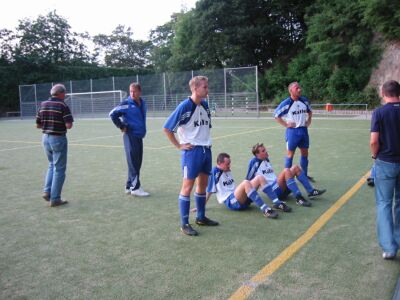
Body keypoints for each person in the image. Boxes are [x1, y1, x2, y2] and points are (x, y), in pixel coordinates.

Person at [163, 75, 219, 236]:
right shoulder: (185, 106)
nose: (207, 89)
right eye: (205, 87)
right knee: (187, 187)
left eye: (207, 87)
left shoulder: (205, 106)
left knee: (202, 185)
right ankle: (184, 223)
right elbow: (167, 128)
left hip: (206, 150)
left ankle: (201, 217)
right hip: (192, 152)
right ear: (195, 88)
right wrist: (179, 145)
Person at [370, 79, 400, 260]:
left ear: (383, 93)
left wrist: (375, 156)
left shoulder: (379, 113)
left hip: (385, 163)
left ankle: (389, 248)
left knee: (384, 204)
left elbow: (374, 141)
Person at [246, 143, 326, 207]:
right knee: (286, 170)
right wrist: (248, 195)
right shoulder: (254, 162)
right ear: (257, 154)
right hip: (273, 191)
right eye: (263, 151)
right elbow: (248, 180)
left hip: (279, 187)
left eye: (265, 149)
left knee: (295, 168)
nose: (266, 151)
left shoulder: (266, 160)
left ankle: (311, 191)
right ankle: (299, 198)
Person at [207, 152, 280, 218]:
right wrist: (202, 205)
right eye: (227, 164)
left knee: (259, 177)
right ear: (220, 163)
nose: (229, 166)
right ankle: (265, 209)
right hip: (231, 201)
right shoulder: (214, 172)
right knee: (245, 182)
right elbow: (210, 190)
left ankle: (277, 203)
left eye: (229, 163)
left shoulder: (226, 170)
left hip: (239, 198)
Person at [36, 83, 74, 207]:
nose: (66, 95)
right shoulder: (62, 105)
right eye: (65, 93)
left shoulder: (42, 104)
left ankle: (47, 191)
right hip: (57, 138)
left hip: (45, 138)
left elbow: (38, 125)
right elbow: (69, 125)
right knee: (59, 169)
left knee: (51, 165)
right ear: (61, 93)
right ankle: (55, 198)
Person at [109, 82, 149, 197]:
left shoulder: (142, 103)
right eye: (130, 91)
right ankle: (135, 188)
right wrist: (121, 126)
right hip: (130, 135)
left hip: (139, 135)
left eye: (134, 91)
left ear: (139, 92)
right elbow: (112, 114)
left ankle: (129, 185)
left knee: (136, 161)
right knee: (134, 161)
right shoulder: (126, 103)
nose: (132, 93)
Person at [274, 82, 314, 181]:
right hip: (292, 132)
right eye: (297, 88)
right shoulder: (287, 103)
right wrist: (286, 124)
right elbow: (276, 115)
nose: (299, 89)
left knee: (305, 154)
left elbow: (310, 111)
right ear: (290, 91)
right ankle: (287, 178)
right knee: (290, 155)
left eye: (299, 87)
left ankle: (304, 175)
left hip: (303, 131)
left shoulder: (304, 101)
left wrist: (309, 120)